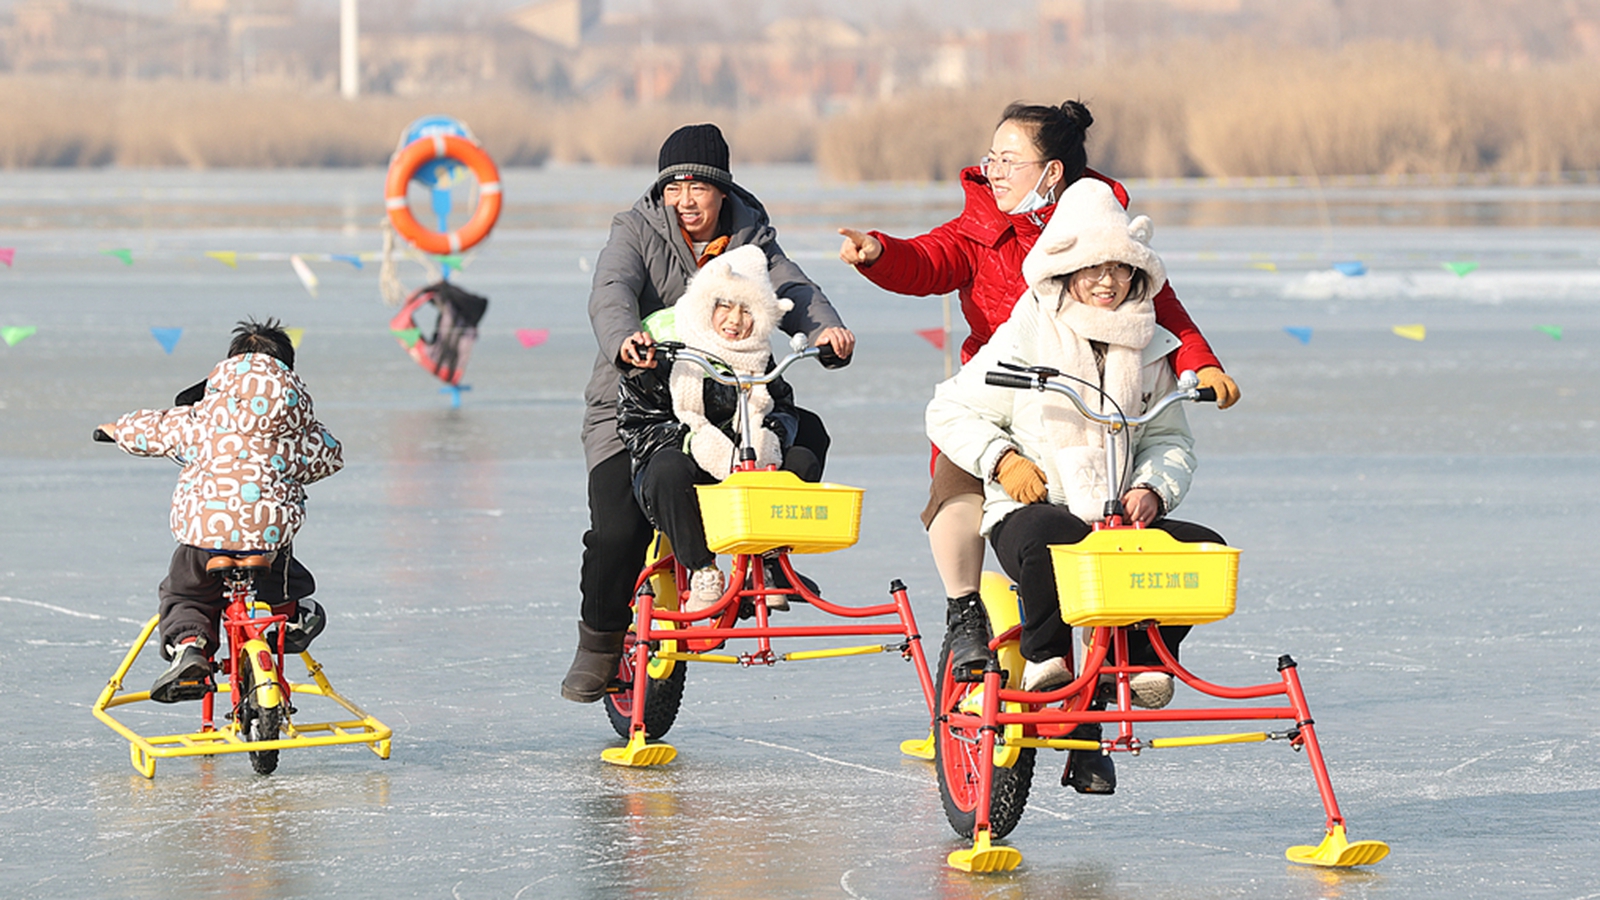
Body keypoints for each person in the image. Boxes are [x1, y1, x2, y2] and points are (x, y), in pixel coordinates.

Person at [837, 100, 1240, 689]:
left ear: (1051, 172)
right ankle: (965, 611)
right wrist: (880, 251)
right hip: (1005, 391)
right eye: (991, 158)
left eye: (1009, 160)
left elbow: (1164, 315)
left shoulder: (1103, 233)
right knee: (961, 493)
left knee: (1138, 555)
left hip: (1098, 400)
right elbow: (927, 261)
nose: (994, 170)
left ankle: (1112, 681)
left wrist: (1200, 366)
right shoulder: (982, 228)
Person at [925, 178, 1226, 795]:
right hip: (1034, 507)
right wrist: (1002, 459)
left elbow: (1171, 440)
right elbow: (949, 409)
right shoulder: (1025, 332)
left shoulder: (1150, 344)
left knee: (1204, 551)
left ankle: (1140, 661)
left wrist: (1152, 490)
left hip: (1118, 521)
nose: (1108, 282)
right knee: (1052, 539)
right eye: (1094, 268)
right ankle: (1046, 661)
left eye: (1120, 268)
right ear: (1066, 269)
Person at [563, 123, 856, 703]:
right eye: (674, 188)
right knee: (617, 531)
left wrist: (826, 331)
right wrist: (624, 340)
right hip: (637, 405)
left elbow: (791, 289)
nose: (686, 201)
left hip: (728, 404)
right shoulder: (636, 230)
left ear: (723, 190)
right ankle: (599, 643)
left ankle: (771, 555)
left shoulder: (751, 236)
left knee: (807, 435)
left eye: (698, 187)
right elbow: (612, 289)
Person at [98, 319, 343, 703]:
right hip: (267, 537)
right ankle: (292, 613)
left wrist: (116, 430)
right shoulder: (297, 425)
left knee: (186, 593)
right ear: (287, 370)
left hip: (204, 533)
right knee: (281, 577)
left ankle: (191, 647)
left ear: (230, 365)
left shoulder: (202, 414)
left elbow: (157, 428)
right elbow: (329, 456)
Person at [617, 245, 821, 613]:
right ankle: (703, 569)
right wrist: (696, 442)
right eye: (724, 305)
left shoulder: (756, 353)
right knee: (667, 468)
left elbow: (783, 407)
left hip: (746, 467)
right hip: (685, 475)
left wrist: (768, 436)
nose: (735, 320)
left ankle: (772, 560)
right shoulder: (663, 347)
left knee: (809, 434)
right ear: (705, 305)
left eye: (748, 310)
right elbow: (638, 423)